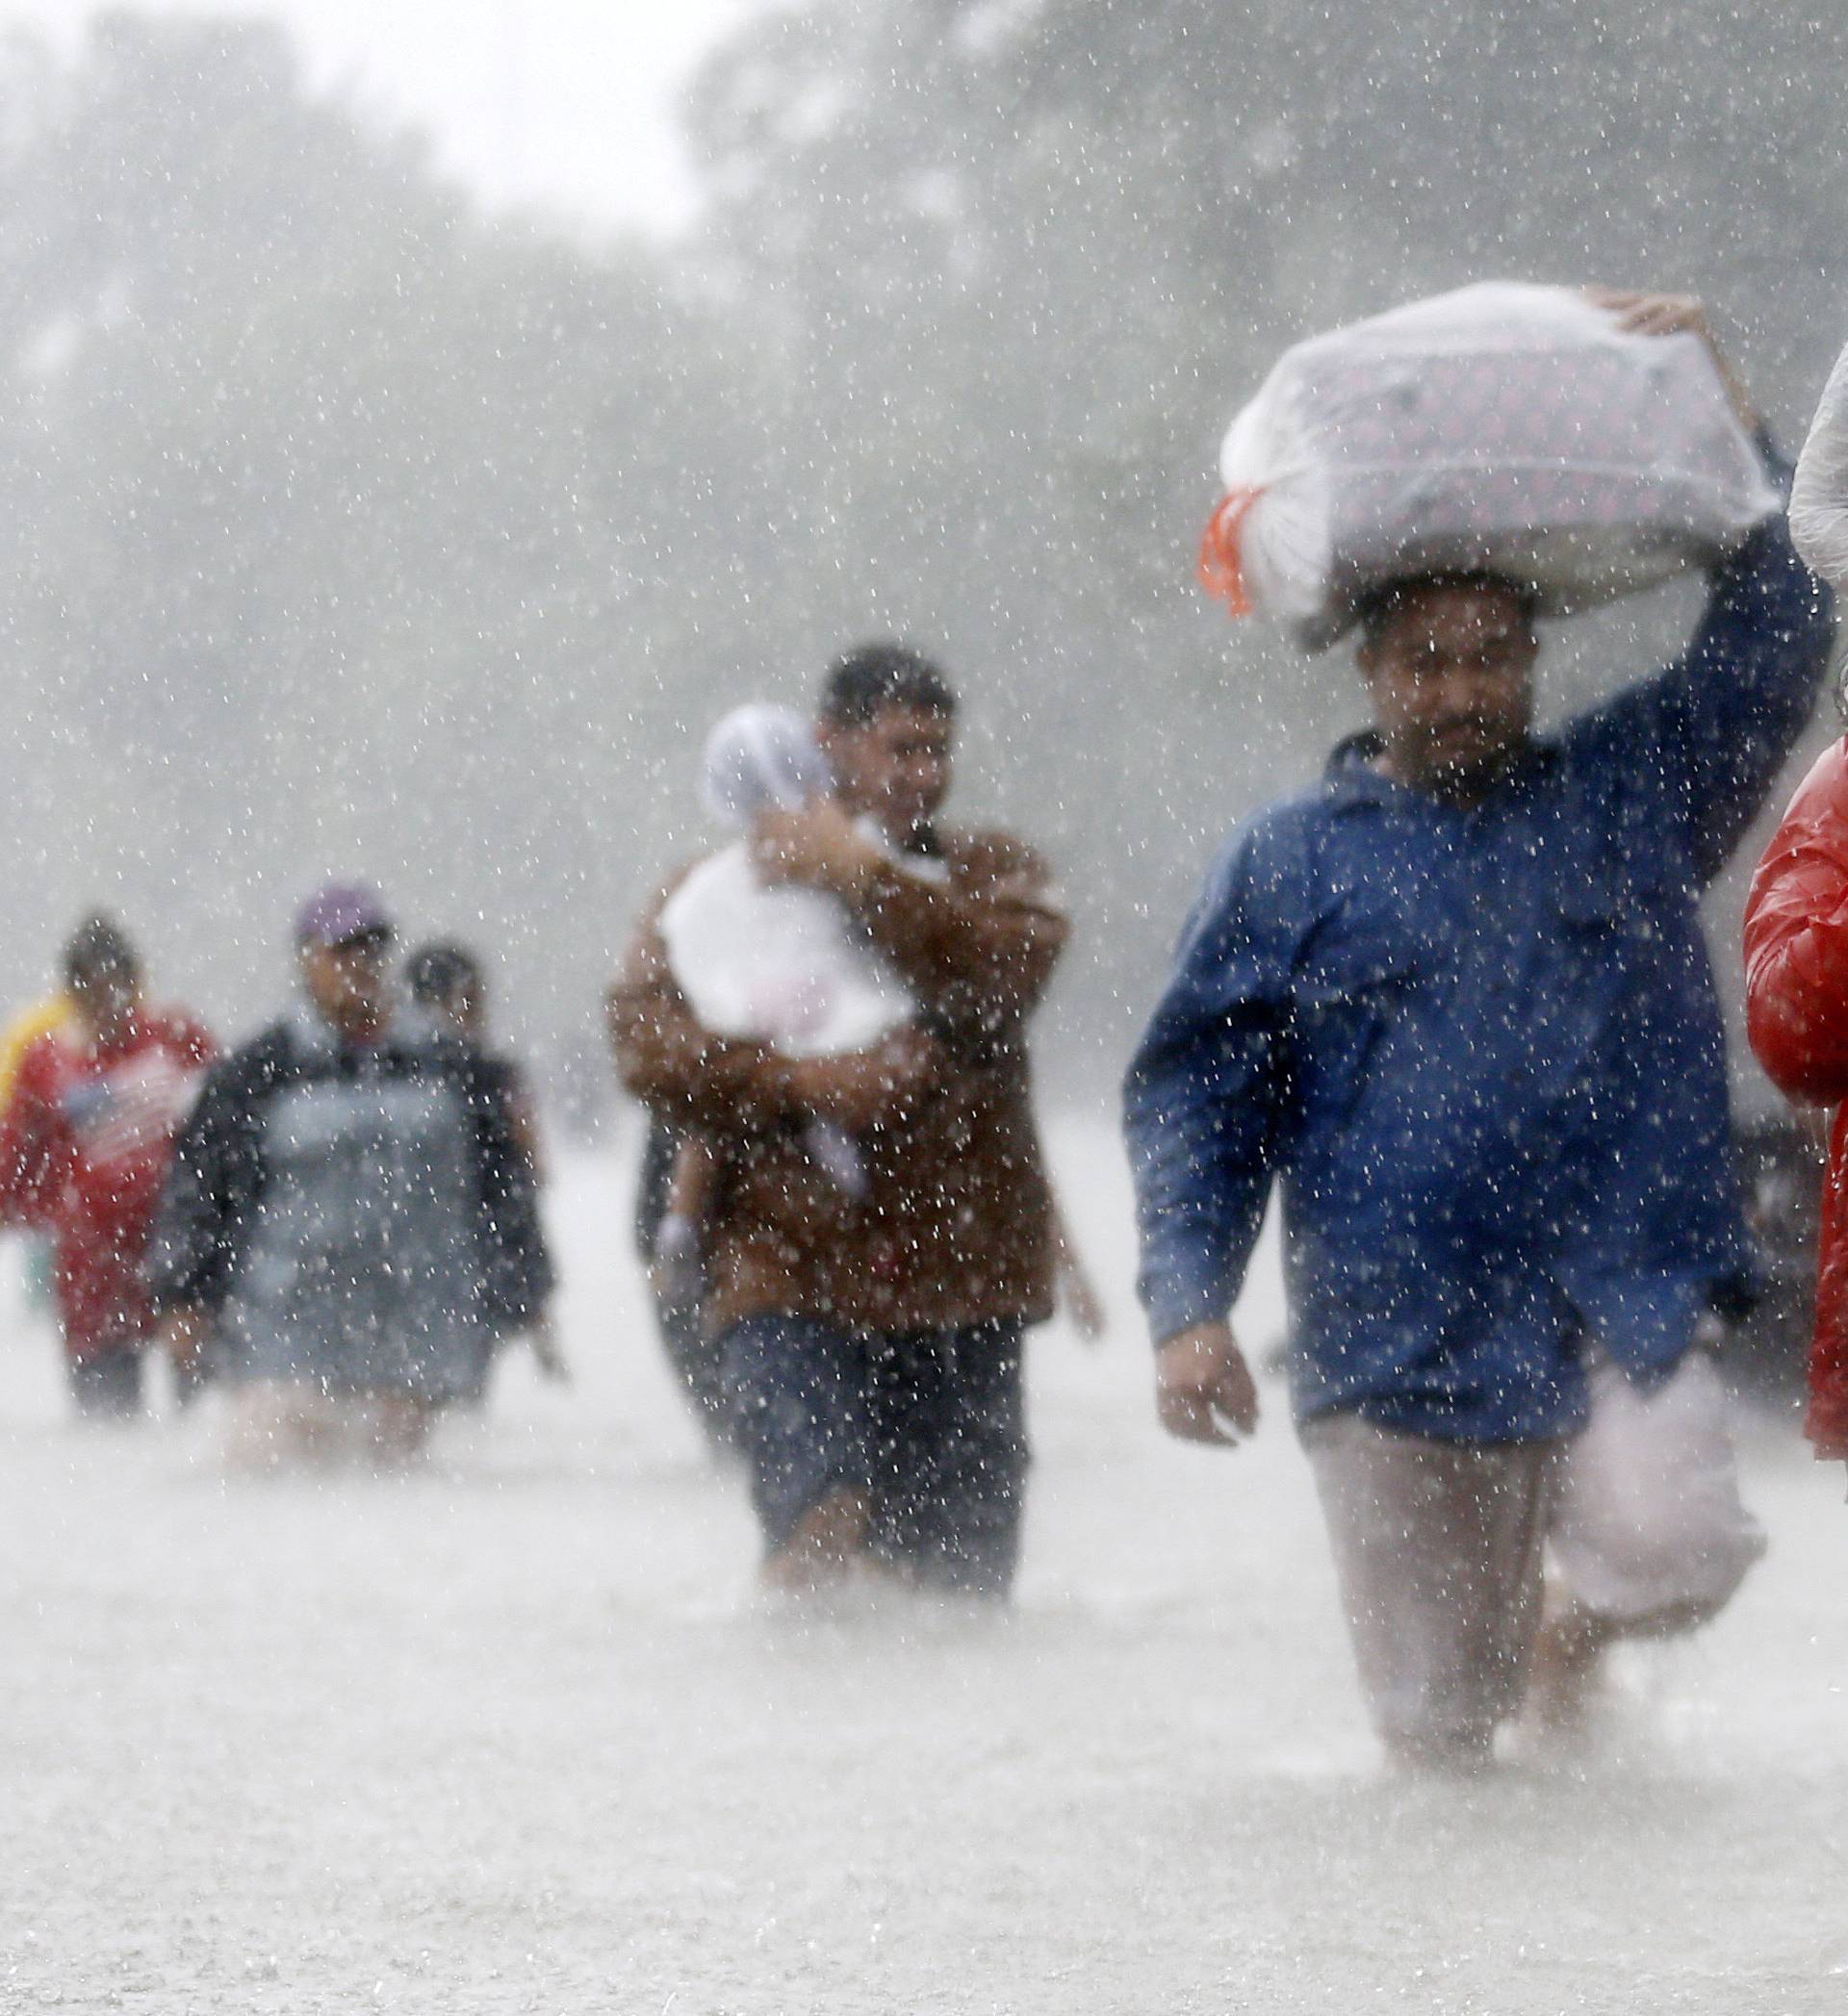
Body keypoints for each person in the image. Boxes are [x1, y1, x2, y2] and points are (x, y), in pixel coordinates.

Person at [1123, 294, 1834, 1770]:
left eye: (1494, 657)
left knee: (1680, 1545)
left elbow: (1786, 619)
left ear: (1531, 662)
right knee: (1440, 1756)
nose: (1464, 689)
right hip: (1396, 1341)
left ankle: (1565, 1646)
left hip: (1617, 1293)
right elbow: (1201, 1100)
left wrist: (1725, 402)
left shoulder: (1632, 793)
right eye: (1431, 660)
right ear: (1374, 670)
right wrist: (1189, 1306)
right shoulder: (1288, 862)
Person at [610, 644, 1066, 1595]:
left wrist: (862, 875)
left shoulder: (991, 871)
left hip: (963, 1279)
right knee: (820, 1524)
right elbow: (644, 1047)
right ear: (829, 746)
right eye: (901, 750)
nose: (925, 775)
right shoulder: (708, 895)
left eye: (940, 751)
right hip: (784, 1273)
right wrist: (797, 1083)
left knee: (961, 1595)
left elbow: (996, 982)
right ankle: (774, 1725)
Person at [147, 885, 553, 1465]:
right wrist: (183, 1294)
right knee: (277, 1480)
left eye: (370, 949)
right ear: (306, 959)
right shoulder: (258, 1070)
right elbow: (200, 1190)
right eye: (341, 951)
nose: (358, 965)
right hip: (285, 1327)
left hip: (416, 1327)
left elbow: (501, 1186)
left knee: (406, 1496)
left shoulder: (452, 1065)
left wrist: (527, 1290)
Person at [0, 916, 214, 1420]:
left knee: (203, 1418)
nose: (106, 1001)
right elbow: (17, 1158)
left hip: (180, 1256)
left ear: (134, 982)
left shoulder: (176, 1038)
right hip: (94, 1272)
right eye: (90, 988)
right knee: (108, 1425)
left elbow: (225, 1123)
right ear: (72, 992)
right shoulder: (47, 1058)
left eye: (116, 984)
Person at [406, 938, 566, 1391]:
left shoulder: (397, 1073)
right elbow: (530, 1168)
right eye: (471, 1001)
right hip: (482, 1249)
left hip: (429, 1259)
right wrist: (537, 1306)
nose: (478, 1014)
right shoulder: (490, 1075)